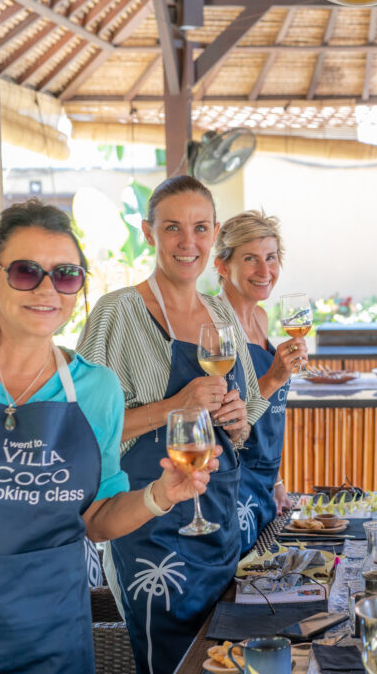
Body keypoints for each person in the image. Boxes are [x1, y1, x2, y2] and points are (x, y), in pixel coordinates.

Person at [0, 200, 215, 673]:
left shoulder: (97, 390)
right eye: (27, 272)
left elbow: (97, 518)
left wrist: (160, 495)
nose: (48, 289)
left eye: (66, 275)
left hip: (53, 641)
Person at [77, 176, 269, 674]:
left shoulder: (223, 311)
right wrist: (175, 404)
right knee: (169, 660)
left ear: (215, 232)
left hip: (219, 520)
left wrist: (234, 421)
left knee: (224, 658)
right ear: (148, 232)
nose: (189, 242)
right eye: (172, 228)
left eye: (200, 228)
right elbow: (81, 431)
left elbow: (246, 419)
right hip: (150, 526)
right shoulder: (117, 313)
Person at [214, 210, 301, 553]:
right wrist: (275, 376)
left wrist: (277, 480)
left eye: (271, 258)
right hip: (232, 485)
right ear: (222, 265)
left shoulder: (262, 317)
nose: (265, 272)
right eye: (250, 259)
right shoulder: (215, 326)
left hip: (264, 484)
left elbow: (270, 417)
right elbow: (225, 422)